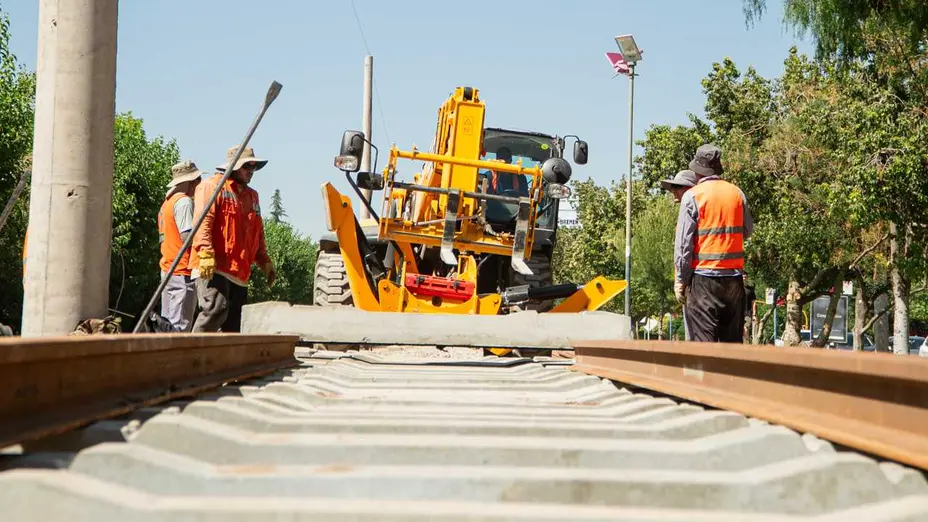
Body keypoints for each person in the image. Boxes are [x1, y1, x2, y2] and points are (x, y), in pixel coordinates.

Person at [189, 146, 276, 332]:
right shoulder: (211, 187)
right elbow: (203, 222)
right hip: (213, 265)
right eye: (247, 166)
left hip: (239, 271)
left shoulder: (252, 196)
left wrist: (264, 260)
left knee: (235, 324)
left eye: (253, 167)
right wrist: (205, 252)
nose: (251, 171)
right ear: (234, 166)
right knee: (216, 309)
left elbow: (257, 231)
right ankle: (191, 347)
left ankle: (221, 352)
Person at [674, 144, 754, 343]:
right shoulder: (737, 193)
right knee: (731, 347)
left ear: (697, 171)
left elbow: (684, 245)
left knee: (704, 346)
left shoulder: (693, 196)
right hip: (734, 279)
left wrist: (681, 280)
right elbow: (747, 230)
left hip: (704, 280)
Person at [157, 160, 204, 331]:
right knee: (180, 327)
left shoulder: (167, 203)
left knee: (166, 324)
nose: (199, 185)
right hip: (182, 270)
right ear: (191, 182)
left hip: (168, 268)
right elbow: (187, 237)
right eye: (197, 180)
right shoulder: (184, 202)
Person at [661, 170, 697, 340]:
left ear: (690, 189)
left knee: (695, 335)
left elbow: (683, 250)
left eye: (677, 187)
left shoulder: (690, 212)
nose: (673, 191)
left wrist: (680, 281)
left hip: (694, 281)